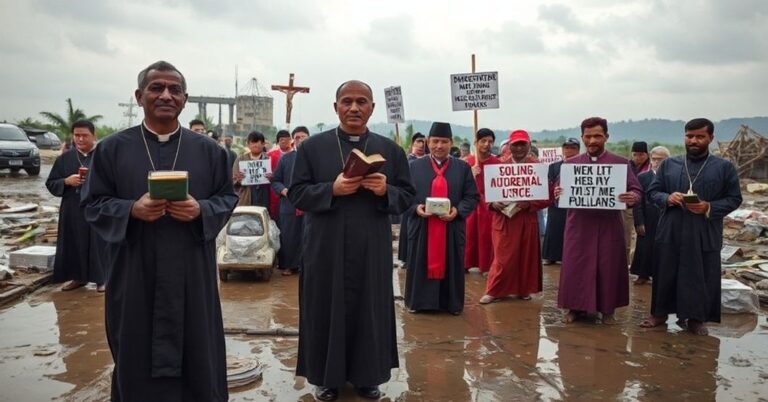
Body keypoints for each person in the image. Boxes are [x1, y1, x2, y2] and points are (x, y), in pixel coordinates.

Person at [82, 60, 237, 401]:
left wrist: (201, 209)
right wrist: (131, 209)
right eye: (156, 88)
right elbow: (92, 204)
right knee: (135, 349)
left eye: (175, 89)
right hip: (135, 269)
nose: (166, 95)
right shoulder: (111, 149)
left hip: (191, 270)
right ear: (139, 96)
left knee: (198, 352)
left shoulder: (211, 152)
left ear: (185, 99)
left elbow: (227, 198)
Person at [288, 80, 414, 401]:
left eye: (361, 102)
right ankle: (325, 378)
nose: (354, 108)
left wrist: (386, 190)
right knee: (324, 307)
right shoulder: (311, 148)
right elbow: (297, 194)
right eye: (347, 101)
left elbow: (407, 197)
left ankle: (367, 376)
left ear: (372, 108)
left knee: (369, 308)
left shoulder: (391, 150)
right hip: (325, 245)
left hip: (371, 245)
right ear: (336, 107)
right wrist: (331, 189)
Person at [642, 118, 742, 335]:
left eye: (699, 137)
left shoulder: (724, 167)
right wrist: (668, 198)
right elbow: (652, 192)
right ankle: (659, 314)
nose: (693, 141)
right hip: (671, 229)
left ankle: (696, 319)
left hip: (703, 231)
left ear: (710, 138)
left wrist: (709, 206)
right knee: (665, 271)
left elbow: (735, 198)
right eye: (689, 136)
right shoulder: (669, 164)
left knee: (700, 274)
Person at [554, 117, 642, 325]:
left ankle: (608, 309)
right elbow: (558, 192)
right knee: (576, 266)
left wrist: (632, 197)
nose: (592, 141)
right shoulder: (570, 165)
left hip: (608, 225)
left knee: (608, 266)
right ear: (582, 137)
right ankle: (574, 308)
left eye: (597, 136)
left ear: (606, 137)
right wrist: (557, 192)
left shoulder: (620, 163)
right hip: (579, 226)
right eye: (588, 136)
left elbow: (636, 190)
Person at [404, 122, 478, 314]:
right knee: (420, 263)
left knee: (452, 264)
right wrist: (416, 208)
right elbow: (404, 195)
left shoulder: (462, 168)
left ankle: (451, 304)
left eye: (444, 142)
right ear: (428, 142)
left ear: (451, 143)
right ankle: (419, 303)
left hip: (451, 227)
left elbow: (472, 197)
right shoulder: (413, 167)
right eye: (435, 141)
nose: (439, 146)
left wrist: (458, 211)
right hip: (422, 227)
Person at [480, 130, 549, 304]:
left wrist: (529, 204)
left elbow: (547, 197)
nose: (519, 149)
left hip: (527, 218)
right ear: (509, 146)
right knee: (503, 257)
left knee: (525, 257)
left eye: (522, 145)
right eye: (515, 145)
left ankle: (523, 290)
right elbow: (482, 192)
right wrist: (492, 203)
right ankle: (494, 291)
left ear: (529, 145)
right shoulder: (498, 166)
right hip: (504, 219)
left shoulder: (537, 167)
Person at [45, 120, 105, 292]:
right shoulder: (65, 158)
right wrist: (66, 181)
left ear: (94, 135)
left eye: (84, 135)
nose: (80, 139)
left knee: (99, 243)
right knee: (74, 242)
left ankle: (102, 279)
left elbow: (117, 180)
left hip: (98, 206)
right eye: (77, 135)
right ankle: (78, 278)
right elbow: (51, 183)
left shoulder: (104, 156)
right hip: (72, 208)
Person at [271, 126, 309, 276]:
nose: (300, 140)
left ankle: (307, 265)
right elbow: (275, 180)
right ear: (293, 141)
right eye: (297, 137)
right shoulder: (285, 159)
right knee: (289, 236)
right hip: (289, 204)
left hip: (309, 205)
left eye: (303, 137)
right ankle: (288, 265)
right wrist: (283, 190)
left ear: (309, 138)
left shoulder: (316, 158)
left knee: (309, 235)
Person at [629, 146, 670, 285]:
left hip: (666, 217)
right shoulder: (643, 177)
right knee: (644, 247)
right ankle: (643, 274)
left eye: (661, 159)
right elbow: (637, 201)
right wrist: (639, 221)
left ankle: (661, 275)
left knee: (664, 248)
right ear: (650, 160)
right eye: (654, 159)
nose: (657, 162)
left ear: (667, 160)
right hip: (647, 218)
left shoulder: (673, 177)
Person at [463, 128, 500, 273]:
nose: (486, 144)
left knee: (487, 237)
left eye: (490, 141)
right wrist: (469, 174)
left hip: (489, 206)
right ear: (476, 142)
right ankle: (464, 264)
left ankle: (487, 266)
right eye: (483, 141)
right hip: (470, 205)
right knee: (468, 236)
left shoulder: (498, 163)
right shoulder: (466, 163)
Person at [542, 137, 581, 264]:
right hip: (556, 204)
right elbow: (548, 183)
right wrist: (554, 190)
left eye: (572, 148)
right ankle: (550, 256)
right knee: (554, 229)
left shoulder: (583, 166)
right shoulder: (554, 166)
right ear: (563, 149)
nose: (569, 150)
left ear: (578, 150)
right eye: (566, 147)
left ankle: (570, 257)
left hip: (575, 205)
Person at [233, 131, 273, 210]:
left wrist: (272, 177)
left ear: (263, 144)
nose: (255, 145)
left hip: (264, 195)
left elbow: (276, 178)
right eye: (252, 142)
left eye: (258, 142)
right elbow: (233, 180)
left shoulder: (269, 159)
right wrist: (238, 179)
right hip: (246, 197)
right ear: (248, 144)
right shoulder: (240, 159)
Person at [267, 129, 293, 218]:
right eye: (281, 139)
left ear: (291, 140)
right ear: (278, 142)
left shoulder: (298, 155)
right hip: (274, 190)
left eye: (286, 139)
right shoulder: (270, 155)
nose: (284, 141)